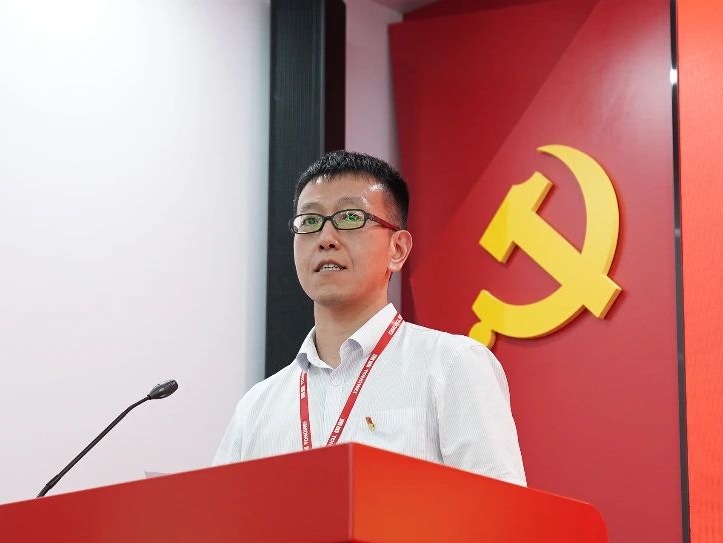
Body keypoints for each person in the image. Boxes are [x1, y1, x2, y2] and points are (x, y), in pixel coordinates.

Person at [213, 151, 526, 486]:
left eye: (350, 217)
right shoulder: (257, 407)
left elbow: (501, 511)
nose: (326, 239)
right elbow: (217, 514)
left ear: (397, 249)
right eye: (310, 221)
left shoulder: (452, 365)